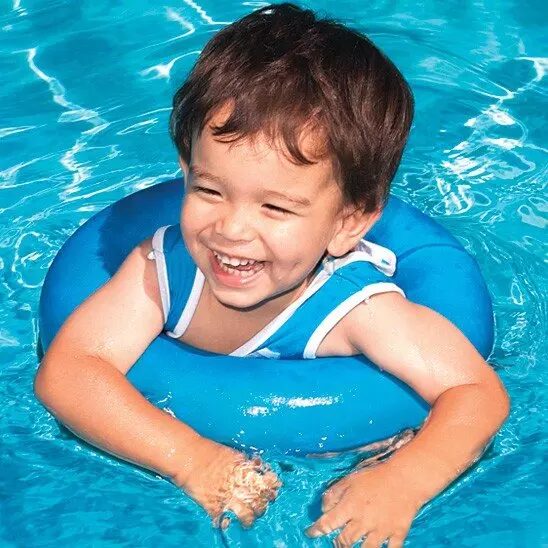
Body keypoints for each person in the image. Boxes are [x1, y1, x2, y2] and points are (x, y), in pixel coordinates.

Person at [34, 4, 510, 546]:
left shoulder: (360, 308)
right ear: (186, 171)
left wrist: (405, 479)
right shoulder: (159, 268)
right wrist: (193, 461)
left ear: (348, 222)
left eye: (276, 208)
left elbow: (476, 392)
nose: (231, 229)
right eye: (210, 190)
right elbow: (68, 371)